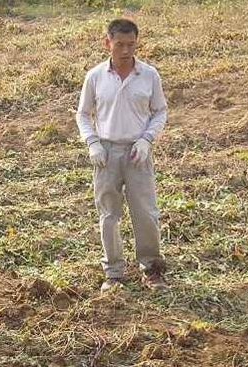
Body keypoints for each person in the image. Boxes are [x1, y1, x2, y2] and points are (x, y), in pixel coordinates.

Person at [75, 18, 169, 292]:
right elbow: (83, 113)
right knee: (109, 214)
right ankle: (114, 273)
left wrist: (147, 140)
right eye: (119, 45)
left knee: (146, 212)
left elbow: (160, 111)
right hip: (106, 152)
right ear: (107, 43)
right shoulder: (95, 77)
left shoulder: (149, 75)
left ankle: (152, 269)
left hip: (138, 153)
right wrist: (92, 142)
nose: (126, 51)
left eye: (131, 45)